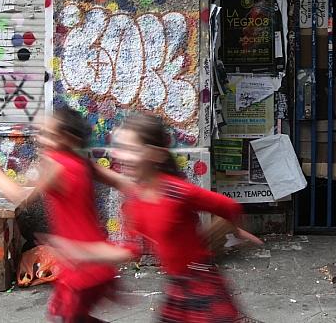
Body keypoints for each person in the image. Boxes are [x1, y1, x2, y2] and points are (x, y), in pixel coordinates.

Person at [42, 113, 262, 323]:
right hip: (177, 285)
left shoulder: (177, 192)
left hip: (203, 282)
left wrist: (223, 234)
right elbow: (130, 250)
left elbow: (229, 207)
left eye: (131, 149)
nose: (119, 155)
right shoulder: (133, 202)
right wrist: (85, 253)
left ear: (156, 154)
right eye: (118, 148)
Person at [0, 108, 117, 323]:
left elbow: (19, 196)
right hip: (95, 259)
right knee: (71, 317)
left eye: (47, 134)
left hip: (82, 265)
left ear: (67, 138)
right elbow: (120, 181)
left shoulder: (55, 165)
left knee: (65, 318)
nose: (40, 138)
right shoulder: (81, 162)